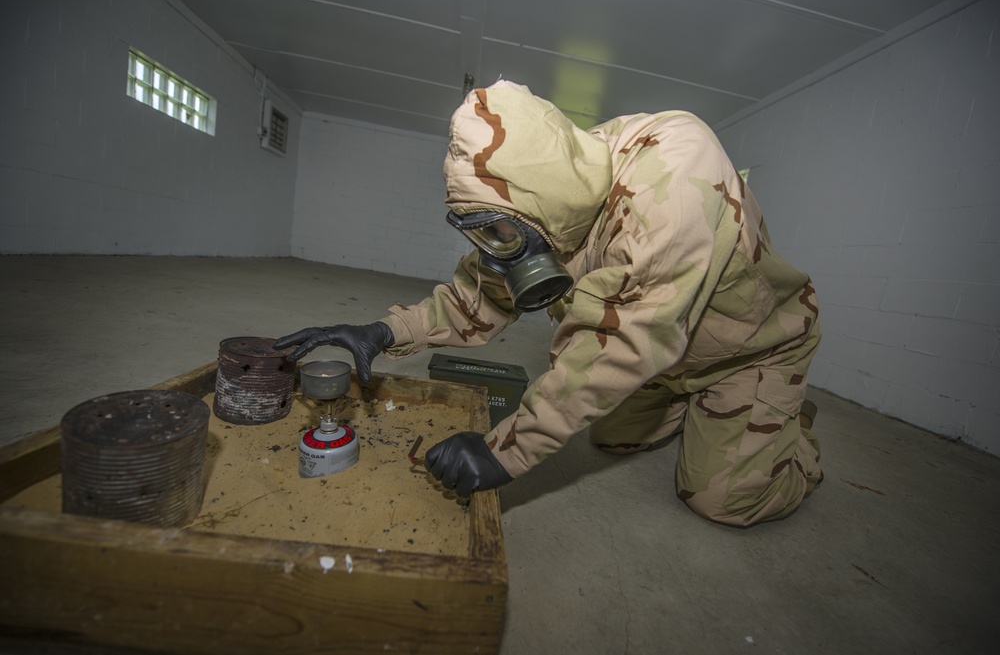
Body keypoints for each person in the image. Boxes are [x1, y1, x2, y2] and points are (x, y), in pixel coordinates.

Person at [276, 80, 823, 527]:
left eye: (498, 233)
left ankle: (786, 432)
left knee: (720, 501)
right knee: (610, 438)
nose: (494, 252)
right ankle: (697, 410)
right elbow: (479, 297)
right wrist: (384, 331)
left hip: (747, 352)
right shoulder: (552, 194)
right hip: (670, 353)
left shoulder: (675, 177)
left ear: (542, 208)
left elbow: (621, 341)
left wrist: (503, 451)